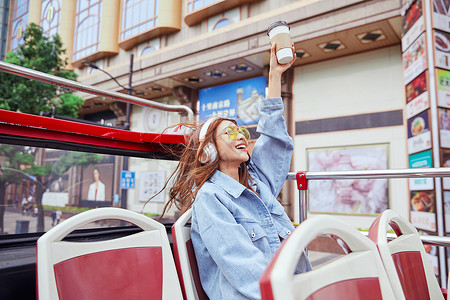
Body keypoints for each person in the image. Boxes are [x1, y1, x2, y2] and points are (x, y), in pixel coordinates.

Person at [152, 42, 311, 299]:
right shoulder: (210, 199)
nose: (240, 137)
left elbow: (274, 140)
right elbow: (247, 272)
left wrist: (275, 74)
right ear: (208, 152)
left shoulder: (258, 183)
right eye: (229, 133)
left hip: (294, 290)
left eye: (242, 132)